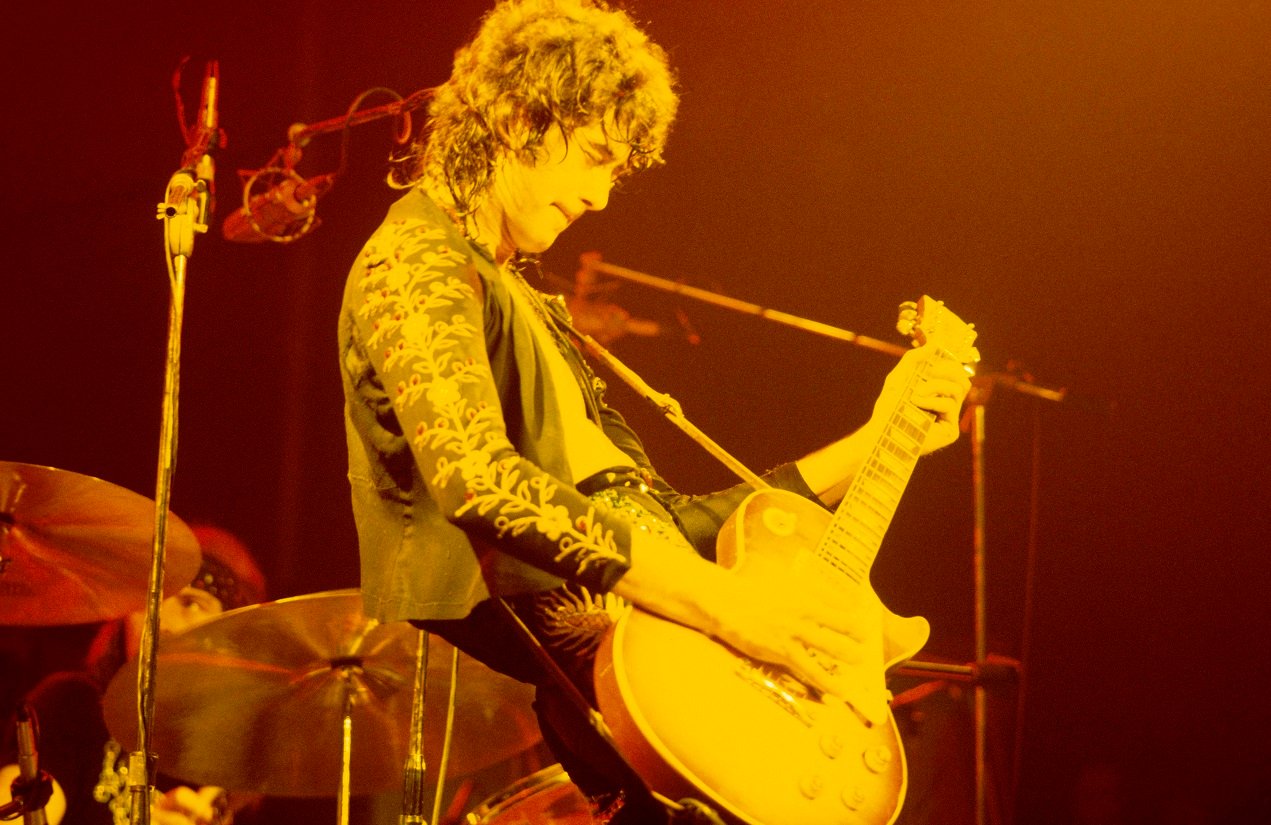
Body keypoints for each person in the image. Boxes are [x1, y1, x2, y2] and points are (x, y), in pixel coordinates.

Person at [338, 1, 972, 822]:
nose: (600, 196)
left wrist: (885, 438)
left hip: (671, 659)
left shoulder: (531, 303)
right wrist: (737, 612)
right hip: (620, 687)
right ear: (517, 114)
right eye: (596, 156)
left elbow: (670, 523)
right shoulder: (415, 256)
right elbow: (476, 477)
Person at [0, 524, 268, 825]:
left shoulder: (239, 771)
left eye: (190, 604)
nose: (159, 620)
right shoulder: (72, 706)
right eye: (150, 598)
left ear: (229, 641)